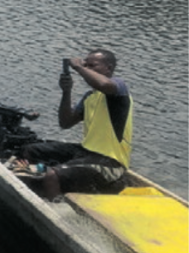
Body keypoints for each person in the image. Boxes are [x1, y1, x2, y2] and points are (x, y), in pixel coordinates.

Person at [17, 49, 133, 198]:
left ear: (108, 68)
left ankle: (56, 209)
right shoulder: (90, 97)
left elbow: (104, 84)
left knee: (51, 176)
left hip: (110, 161)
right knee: (30, 151)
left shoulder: (118, 88)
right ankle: (28, 193)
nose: (88, 68)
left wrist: (79, 67)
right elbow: (65, 122)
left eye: (92, 65)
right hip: (86, 150)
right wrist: (66, 92)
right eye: (86, 65)